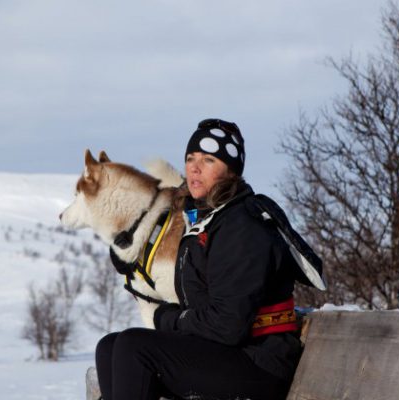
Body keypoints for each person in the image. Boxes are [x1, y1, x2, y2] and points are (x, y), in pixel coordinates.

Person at [95, 118, 306, 400]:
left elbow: (227, 325)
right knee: (110, 347)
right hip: (228, 352)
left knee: (135, 347)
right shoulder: (206, 222)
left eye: (208, 160)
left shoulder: (243, 226)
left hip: (259, 363)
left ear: (231, 171)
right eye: (190, 158)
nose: (194, 167)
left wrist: (167, 318)